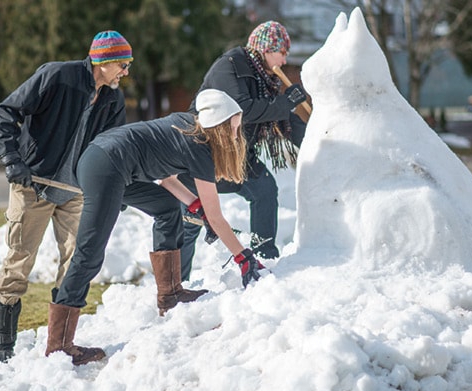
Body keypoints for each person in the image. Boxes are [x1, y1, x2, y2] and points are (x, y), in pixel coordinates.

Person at [46, 89, 266, 365]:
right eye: (234, 126)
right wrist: (243, 258)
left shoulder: (187, 126)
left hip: (108, 160)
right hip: (105, 165)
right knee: (89, 253)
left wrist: (196, 208)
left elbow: (166, 179)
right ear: (220, 127)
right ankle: (59, 345)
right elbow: (217, 215)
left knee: (166, 208)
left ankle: (171, 294)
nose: (237, 133)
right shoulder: (200, 148)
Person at [0, 30, 133, 366]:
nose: (126, 72)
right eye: (123, 64)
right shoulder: (58, 76)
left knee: (77, 261)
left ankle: (60, 344)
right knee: (19, 260)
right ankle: (2, 346)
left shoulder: (113, 100)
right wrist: (13, 161)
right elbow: (7, 113)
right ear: (104, 61)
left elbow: (115, 148)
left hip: (76, 192)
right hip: (34, 186)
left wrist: (117, 188)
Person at [178, 20, 308, 281]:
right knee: (190, 219)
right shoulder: (231, 65)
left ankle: (264, 256)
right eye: (282, 52)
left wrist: (316, 143)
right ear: (266, 49)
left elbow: (281, 120)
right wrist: (284, 102)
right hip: (204, 155)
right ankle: (174, 284)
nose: (284, 61)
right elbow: (243, 109)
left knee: (264, 189)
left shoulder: (265, 80)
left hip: (238, 157)